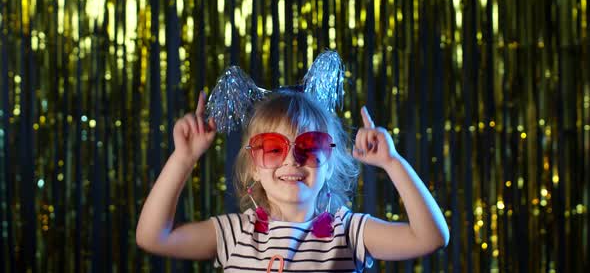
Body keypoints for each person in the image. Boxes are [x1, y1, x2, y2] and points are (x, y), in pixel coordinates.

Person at [136, 55, 449, 272]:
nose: (292, 159)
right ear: (254, 165)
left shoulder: (349, 233)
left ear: (330, 163)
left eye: (310, 146)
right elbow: (152, 237)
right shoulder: (235, 235)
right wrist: (183, 159)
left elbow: (431, 237)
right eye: (273, 148)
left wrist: (393, 163)